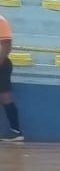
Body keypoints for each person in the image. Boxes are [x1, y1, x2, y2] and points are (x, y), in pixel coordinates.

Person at [0, 13, 22, 142]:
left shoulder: (1, 21)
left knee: (5, 97)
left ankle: (16, 131)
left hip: (2, 64)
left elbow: (6, 45)